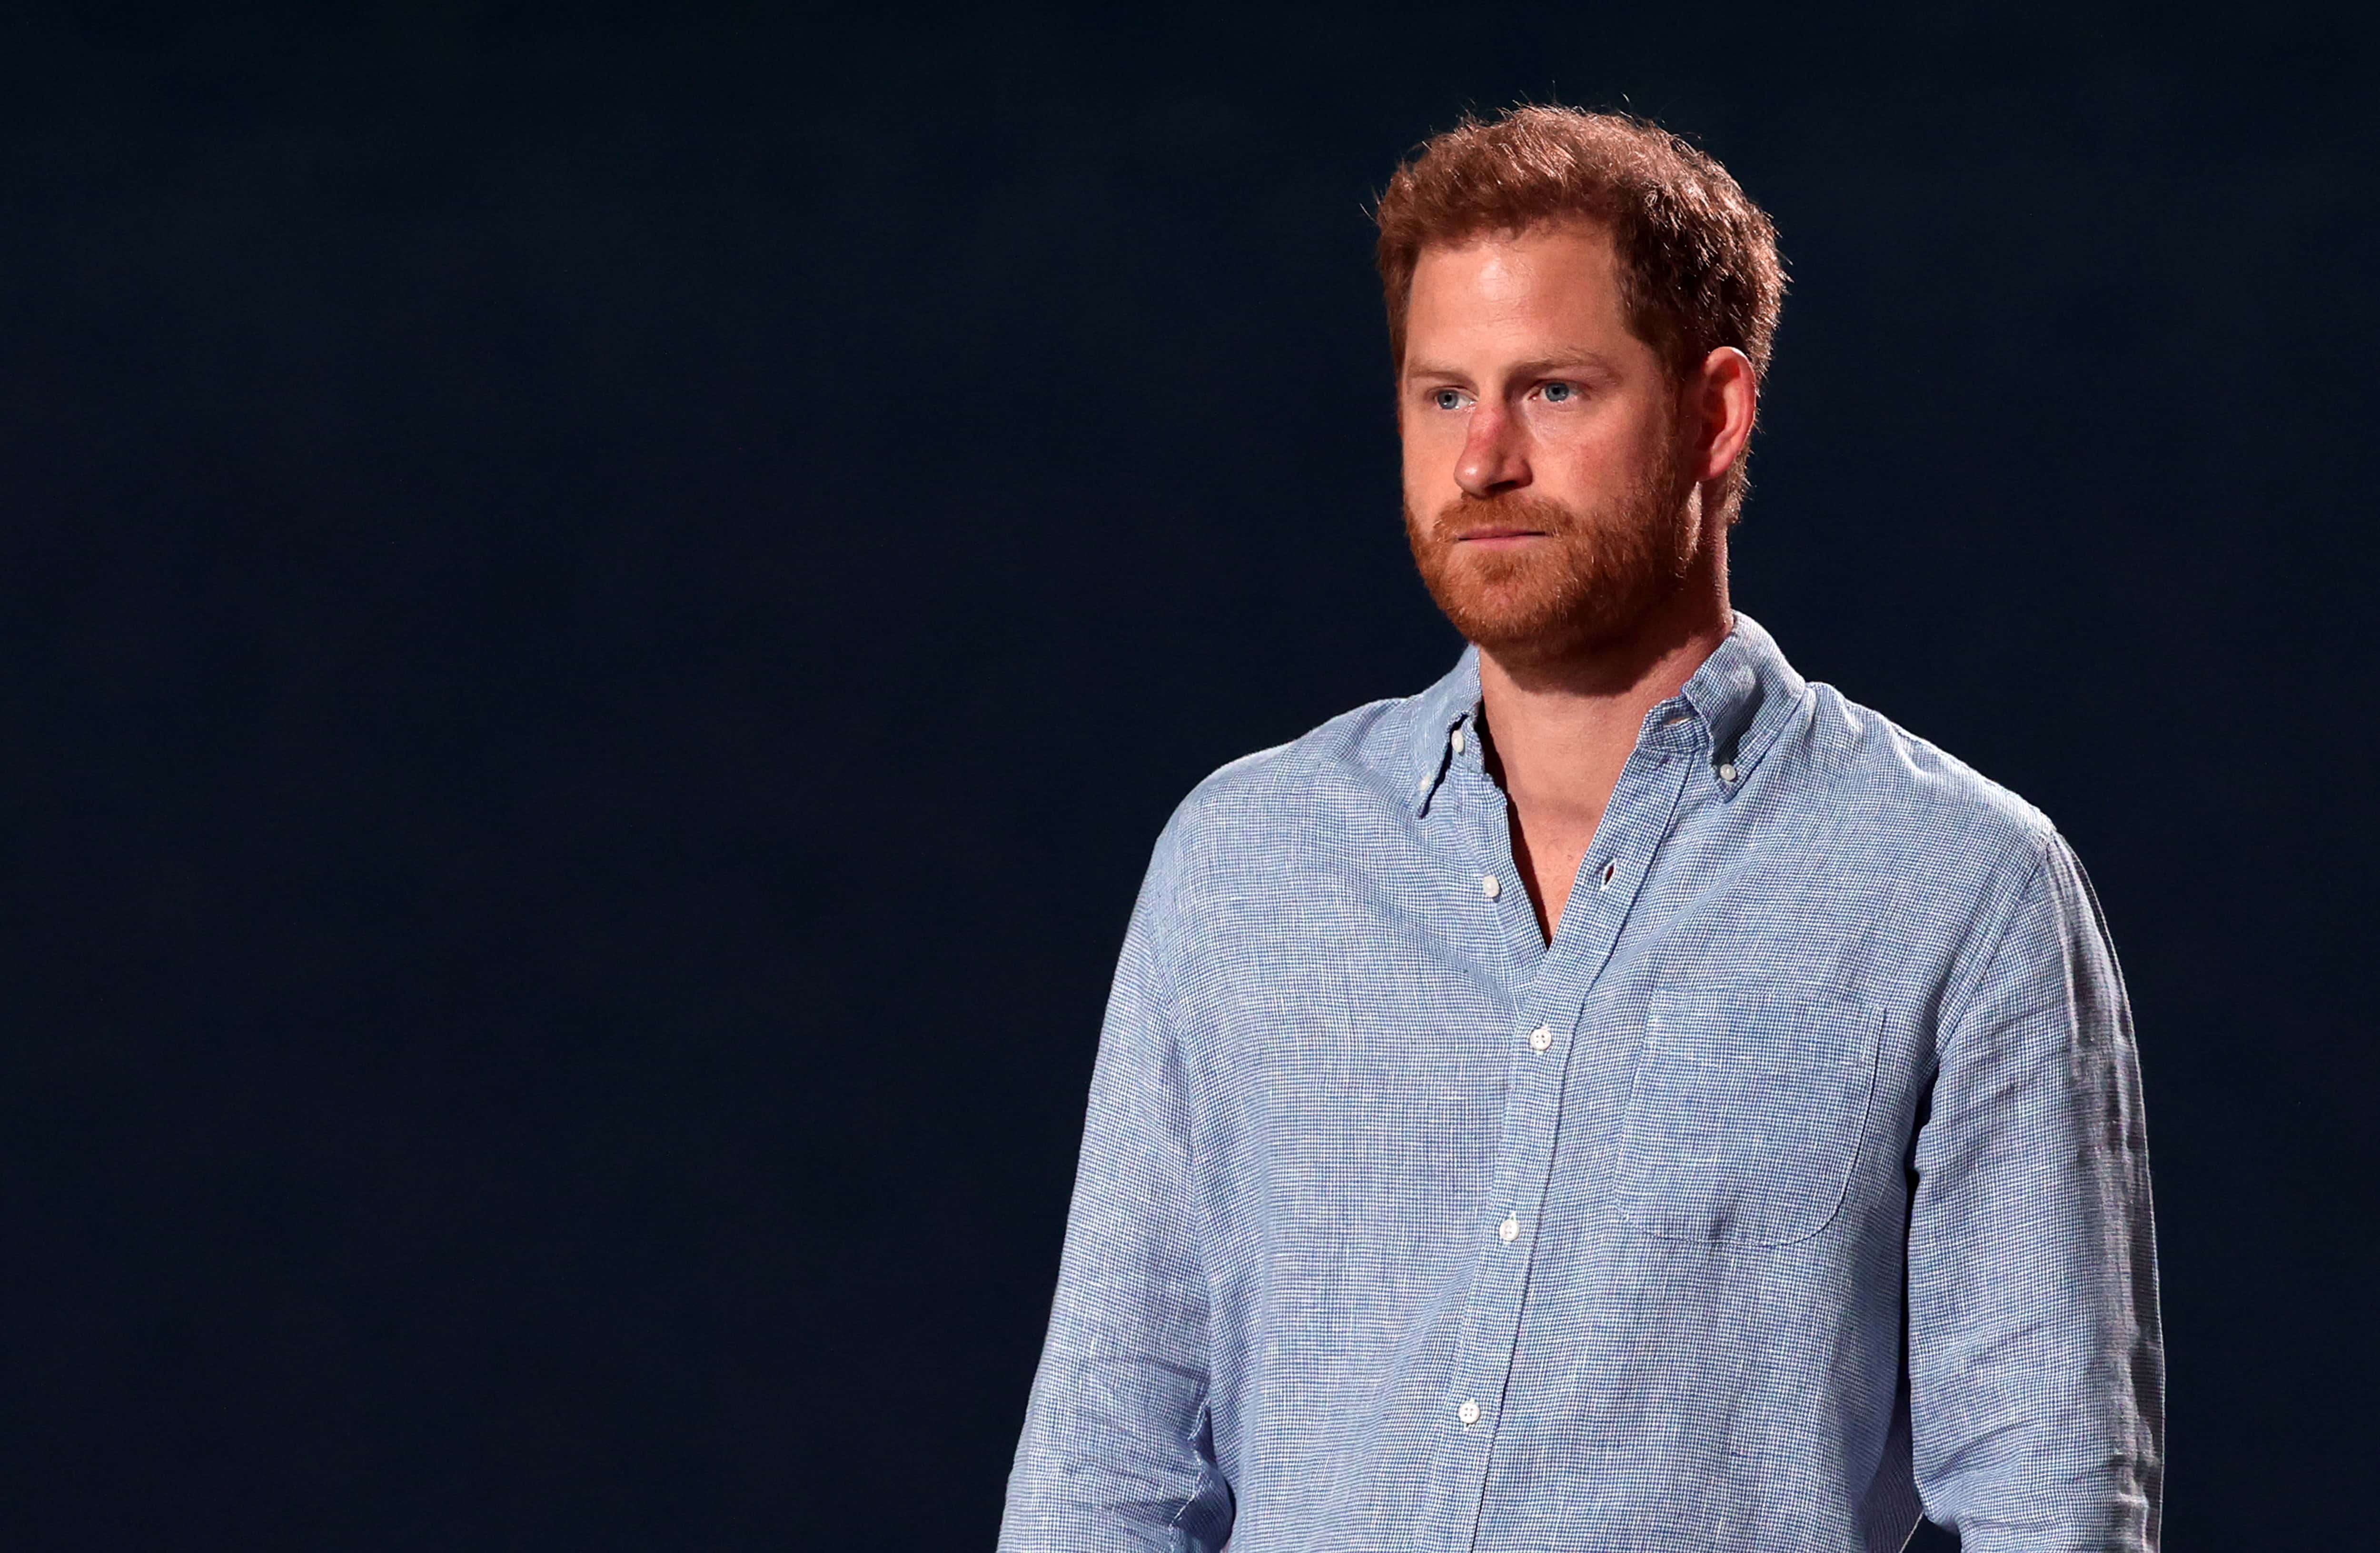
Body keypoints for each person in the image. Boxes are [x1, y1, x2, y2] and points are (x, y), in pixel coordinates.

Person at [997, 105, 2162, 1553]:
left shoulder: (1958, 892)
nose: (1482, 459)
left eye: (1552, 391)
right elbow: (1110, 1454)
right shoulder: (1244, 863)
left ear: (1714, 411)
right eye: (1441, 396)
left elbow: (2051, 1497)